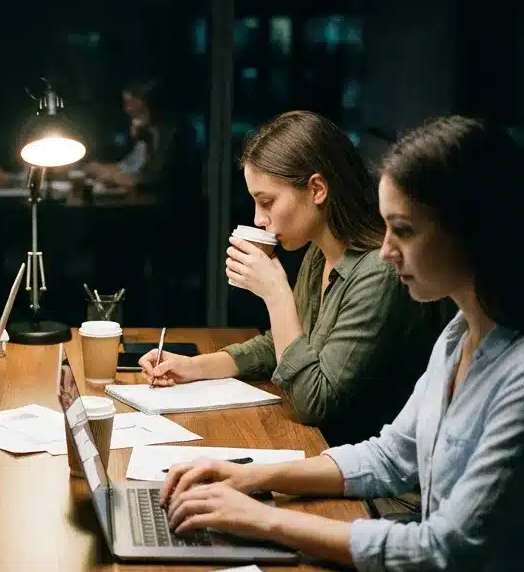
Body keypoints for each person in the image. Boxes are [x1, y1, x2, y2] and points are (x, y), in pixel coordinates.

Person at [161, 116, 524, 572]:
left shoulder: (516, 371)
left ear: (471, 229)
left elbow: (439, 551)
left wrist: (264, 520)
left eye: (403, 231)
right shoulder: (457, 335)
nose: (385, 251)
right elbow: (391, 455)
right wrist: (251, 477)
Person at [140, 110, 445, 444]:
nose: (259, 219)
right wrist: (194, 367)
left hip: (355, 459)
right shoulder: (319, 252)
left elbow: (312, 403)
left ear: (317, 189)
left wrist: (277, 294)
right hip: (322, 449)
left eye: (267, 202)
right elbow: (286, 345)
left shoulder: (378, 270)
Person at [89, 79, 172, 190]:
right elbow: (131, 164)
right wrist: (103, 169)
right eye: (126, 103)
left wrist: (116, 177)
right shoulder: (146, 132)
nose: (128, 110)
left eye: (132, 103)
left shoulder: (169, 134)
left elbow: (154, 178)